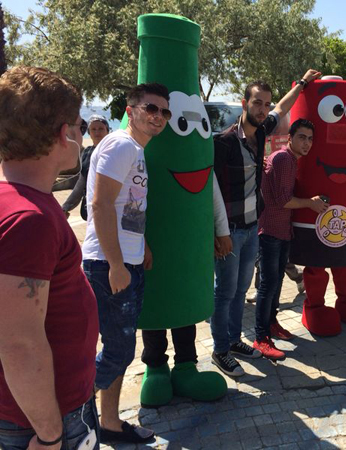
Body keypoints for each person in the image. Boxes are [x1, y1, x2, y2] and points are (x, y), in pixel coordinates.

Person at [0, 66, 100, 450]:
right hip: (44, 420)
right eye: (79, 125)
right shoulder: (29, 220)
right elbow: (20, 344)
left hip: (47, 409)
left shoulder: (19, 201)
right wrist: (49, 435)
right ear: (64, 134)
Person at [211, 69, 321, 377]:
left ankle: (234, 340)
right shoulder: (224, 142)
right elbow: (211, 189)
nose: (262, 109)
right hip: (230, 229)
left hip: (252, 228)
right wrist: (218, 232)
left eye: (265, 104)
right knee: (225, 292)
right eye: (257, 103)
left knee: (241, 289)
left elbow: (282, 109)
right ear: (244, 103)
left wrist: (302, 83)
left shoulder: (260, 133)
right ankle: (220, 350)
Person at [82, 83, 171, 443]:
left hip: (126, 260)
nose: (159, 116)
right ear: (131, 111)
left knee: (118, 350)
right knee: (118, 351)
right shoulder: (120, 145)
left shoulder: (134, 149)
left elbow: (126, 206)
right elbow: (100, 205)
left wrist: (141, 244)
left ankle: (109, 423)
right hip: (109, 264)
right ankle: (66, 411)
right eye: (152, 108)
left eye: (164, 111)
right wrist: (117, 264)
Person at [253, 119, 327, 360]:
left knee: (275, 283)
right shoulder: (284, 159)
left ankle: (271, 323)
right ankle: (261, 338)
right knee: (268, 285)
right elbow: (282, 200)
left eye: (310, 139)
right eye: (302, 137)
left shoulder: (289, 159)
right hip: (270, 231)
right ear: (290, 138)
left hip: (281, 230)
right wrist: (310, 203)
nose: (307, 143)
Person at [61, 115, 110, 219]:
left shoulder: (114, 152)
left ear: (107, 131)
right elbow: (82, 181)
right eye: (93, 129)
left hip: (110, 207)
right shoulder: (87, 153)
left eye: (101, 129)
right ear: (89, 132)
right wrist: (66, 207)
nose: (97, 132)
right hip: (90, 207)